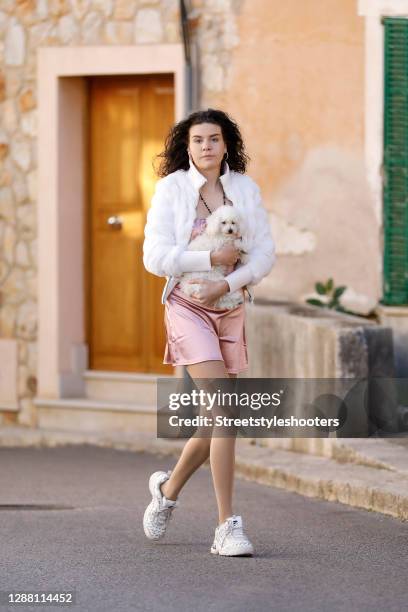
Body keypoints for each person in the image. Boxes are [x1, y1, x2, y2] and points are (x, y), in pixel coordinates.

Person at [142, 108, 276, 556]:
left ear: (226, 144)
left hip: (231, 307)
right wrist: (208, 262)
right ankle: (226, 527)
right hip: (186, 307)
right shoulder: (171, 190)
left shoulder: (245, 190)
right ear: (187, 146)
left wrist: (228, 281)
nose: (205, 147)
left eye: (214, 139)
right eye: (197, 140)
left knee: (215, 418)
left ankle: (167, 491)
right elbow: (155, 256)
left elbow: (262, 256)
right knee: (225, 411)